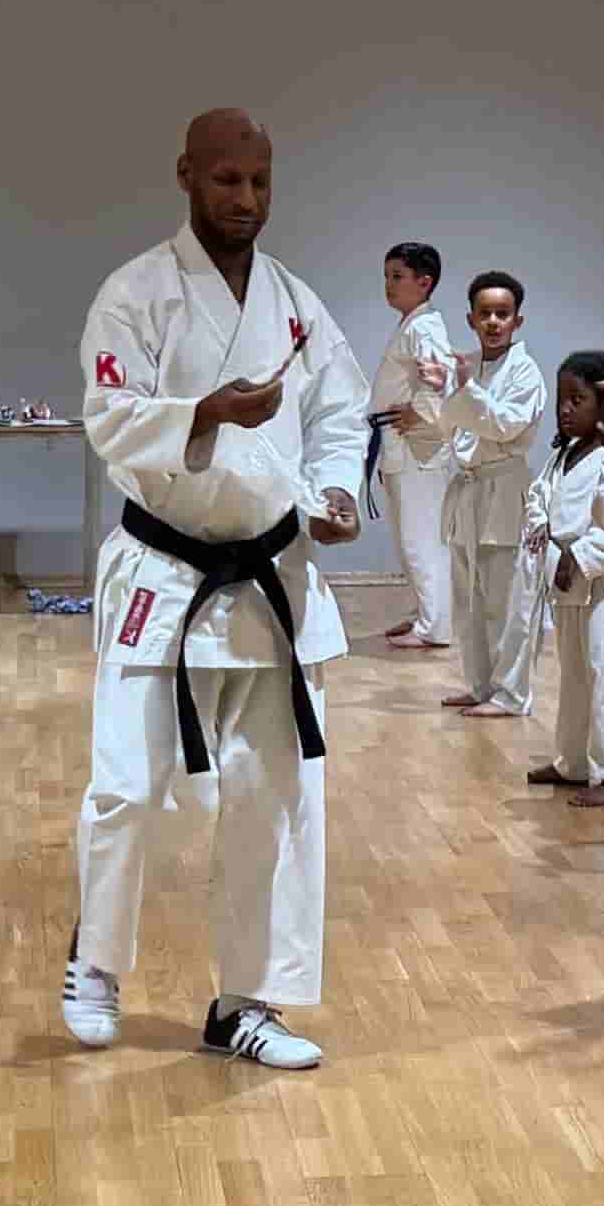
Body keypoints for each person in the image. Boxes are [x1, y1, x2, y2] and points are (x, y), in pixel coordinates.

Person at [65, 109, 374, 1072]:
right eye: (227, 180)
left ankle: (247, 1000)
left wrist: (336, 493)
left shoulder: (294, 302)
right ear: (188, 176)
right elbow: (110, 417)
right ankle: (97, 964)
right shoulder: (136, 295)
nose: (246, 200)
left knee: (275, 797)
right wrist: (204, 412)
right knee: (124, 784)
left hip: (273, 574)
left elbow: (341, 410)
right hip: (167, 568)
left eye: (261, 182)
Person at [432, 269, 548, 719]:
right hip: (468, 489)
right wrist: (447, 391)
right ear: (471, 319)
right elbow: (449, 427)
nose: (494, 322)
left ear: (518, 321)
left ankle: (511, 693)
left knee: (505, 599)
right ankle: (480, 684)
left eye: (503, 314)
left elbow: (503, 425)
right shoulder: (467, 367)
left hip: (503, 488)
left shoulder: (526, 371)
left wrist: (465, 393)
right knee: (468, 598)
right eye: (486, 314)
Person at [530, 351, 604, 805]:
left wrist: (580, 555)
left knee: (601, 674)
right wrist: (543, 532)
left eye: (579, 400)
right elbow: (537, 497)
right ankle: (572, 763)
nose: (566, 409)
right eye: (562, 400)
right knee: (573, 674)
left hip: (601, 585)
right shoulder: (565, 453)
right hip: (562, 577)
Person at [364, 243, 459, 649]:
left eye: (397, 277)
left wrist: (420, 415)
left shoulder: (424, 327)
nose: (389, 285)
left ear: (425, 282)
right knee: (412, 537)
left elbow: (440, 378)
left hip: (416, 447)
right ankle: (428, 612)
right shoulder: (414, 324)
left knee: (421, 538)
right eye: (387, 276)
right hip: (398, 442)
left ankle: (435, 625)